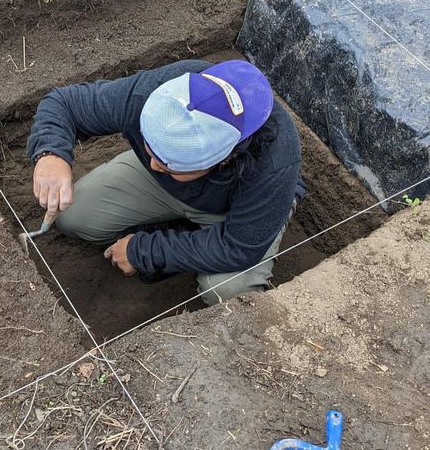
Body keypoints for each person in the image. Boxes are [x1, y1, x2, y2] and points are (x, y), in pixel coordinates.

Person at [27, 59, 305, 305]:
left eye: (167, 163)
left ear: (222, 160)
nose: (152, 164)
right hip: (170, 188)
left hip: (237, 213)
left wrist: (143, 251)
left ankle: (192, 231)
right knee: (73, 216)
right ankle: (177, 215)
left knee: (227, 292)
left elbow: (238, 248)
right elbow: (63, 103)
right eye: (151, 150)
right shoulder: (155, 92)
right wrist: (50, 153)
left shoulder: (274, 161)